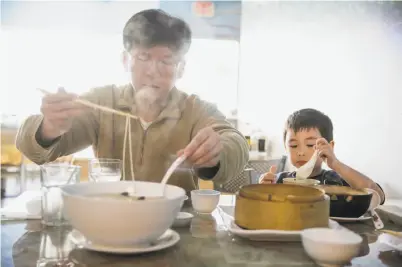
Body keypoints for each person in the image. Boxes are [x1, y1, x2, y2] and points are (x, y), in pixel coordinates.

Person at [16, 9, 249, 193]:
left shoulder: (195, 109)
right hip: (111, 222)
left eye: (166, 61)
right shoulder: (103, 101)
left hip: (178, 229)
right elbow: (32, 149)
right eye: (144, 57)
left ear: (181, 68)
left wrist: (217, 152)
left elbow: (235, 144)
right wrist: (49, 128)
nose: (152, 71)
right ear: (126, 61)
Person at [259, 108, 385, 204]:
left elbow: (378, 195)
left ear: (329, 147)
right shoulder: (279, 181)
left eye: (310, 145)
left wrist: (336, 164)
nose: (301, 152)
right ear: (286, 147)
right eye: (293, 146)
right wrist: (263, 190)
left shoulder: (334, 181)